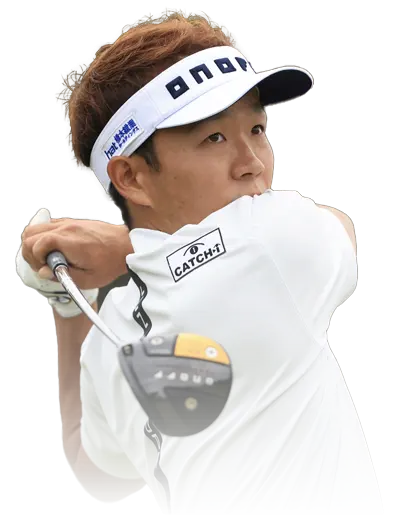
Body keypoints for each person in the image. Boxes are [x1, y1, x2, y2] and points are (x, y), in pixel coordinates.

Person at [17, 13, 383, 515]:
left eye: (256, 128)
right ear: (132, 178)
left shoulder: (108, 336)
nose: (253, 162)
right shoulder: (274, 244)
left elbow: (95, 472)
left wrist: (70, 301)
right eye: (214, 138)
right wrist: (120, 250)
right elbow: (338, 227)